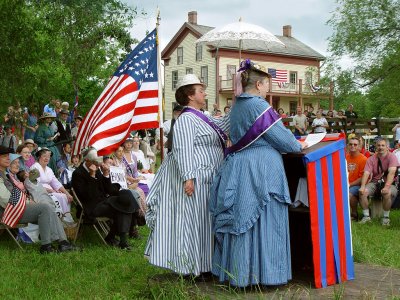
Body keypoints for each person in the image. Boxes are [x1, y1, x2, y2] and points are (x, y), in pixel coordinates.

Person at [209, 59, 306, 287]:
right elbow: (284, 141)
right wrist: (298, 144)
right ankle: (265, 276)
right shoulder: (259, 105)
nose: (268, 89)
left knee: (243, 220)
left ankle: (240, 274)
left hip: (239, 166)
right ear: (260, 84)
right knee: (264, 219)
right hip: (260, 169)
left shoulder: (236, 105)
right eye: (267, 85)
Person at [145, 73, 230, 276]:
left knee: (205, 223)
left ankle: (206, 265)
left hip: (208, 179)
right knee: (193, 223)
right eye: (201, 90)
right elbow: (183, 149)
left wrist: (238, 99)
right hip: (195, 178)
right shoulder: (185, 119)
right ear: (191, 96)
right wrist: (188, 177)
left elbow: (224, 125)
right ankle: (191, 268)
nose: (205, 93)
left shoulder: (204, 117)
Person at [0, 146, 76, 253]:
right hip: (8, 212)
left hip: (15, 208)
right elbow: (5, 200)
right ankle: (46, 246)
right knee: (44, 207)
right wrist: (27, 202)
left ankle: (63, 243)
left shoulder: (5, 175)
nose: (8, 158)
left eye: (8, 156)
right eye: (4, 156)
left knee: (49, 208)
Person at [71, 147, 140, 250]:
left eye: (98, 162)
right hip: (90, 206)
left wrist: (106, 174)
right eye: (95, 162)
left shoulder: (97, 169)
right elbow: (88, 196)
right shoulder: (78, 174)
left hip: (104, 201)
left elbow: (110, 190)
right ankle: (118, 239)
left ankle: (121, 240)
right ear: (87, 160)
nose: (98, 165)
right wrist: (91, 176)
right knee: (121, 206)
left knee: (125, 197)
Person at [359, 138, 399, 226]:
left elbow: (392, 173)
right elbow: (366, 173)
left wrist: (387, 186)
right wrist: (362, 186)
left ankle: (385, 218)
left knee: (387, 193)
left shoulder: (392, 157)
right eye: (378, 145)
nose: (380, 147)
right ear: (376, 147)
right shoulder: (371, 159)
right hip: (375, 182)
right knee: (363, 192)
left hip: (390, 183)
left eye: (383, 145)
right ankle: (366, 216)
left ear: (387, 147)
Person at [31, 148, 74, 223]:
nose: (47, 158)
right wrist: (50, 190)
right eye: (44, 156)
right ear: (39, 156)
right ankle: (60, 220)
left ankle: (65, 220)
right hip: (39, 192)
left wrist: (67, 193)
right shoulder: (34, 167)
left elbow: (56, 183)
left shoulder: (49, 169)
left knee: (65, 196)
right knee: (60, 196)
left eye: (49, 156)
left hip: (51, 191)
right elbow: (34, 184)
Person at [346, 137, 367, 220]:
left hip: (358, 184)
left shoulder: (363, 159)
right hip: (347, 183)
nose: (352, 146)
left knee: (348, 194)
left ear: (359, 146)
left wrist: (349, 184)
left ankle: (353, 214)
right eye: (350, 144)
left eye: (355, 144)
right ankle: (352, 213)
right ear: (348, 146)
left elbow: (362, 178)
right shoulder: (345, 157)